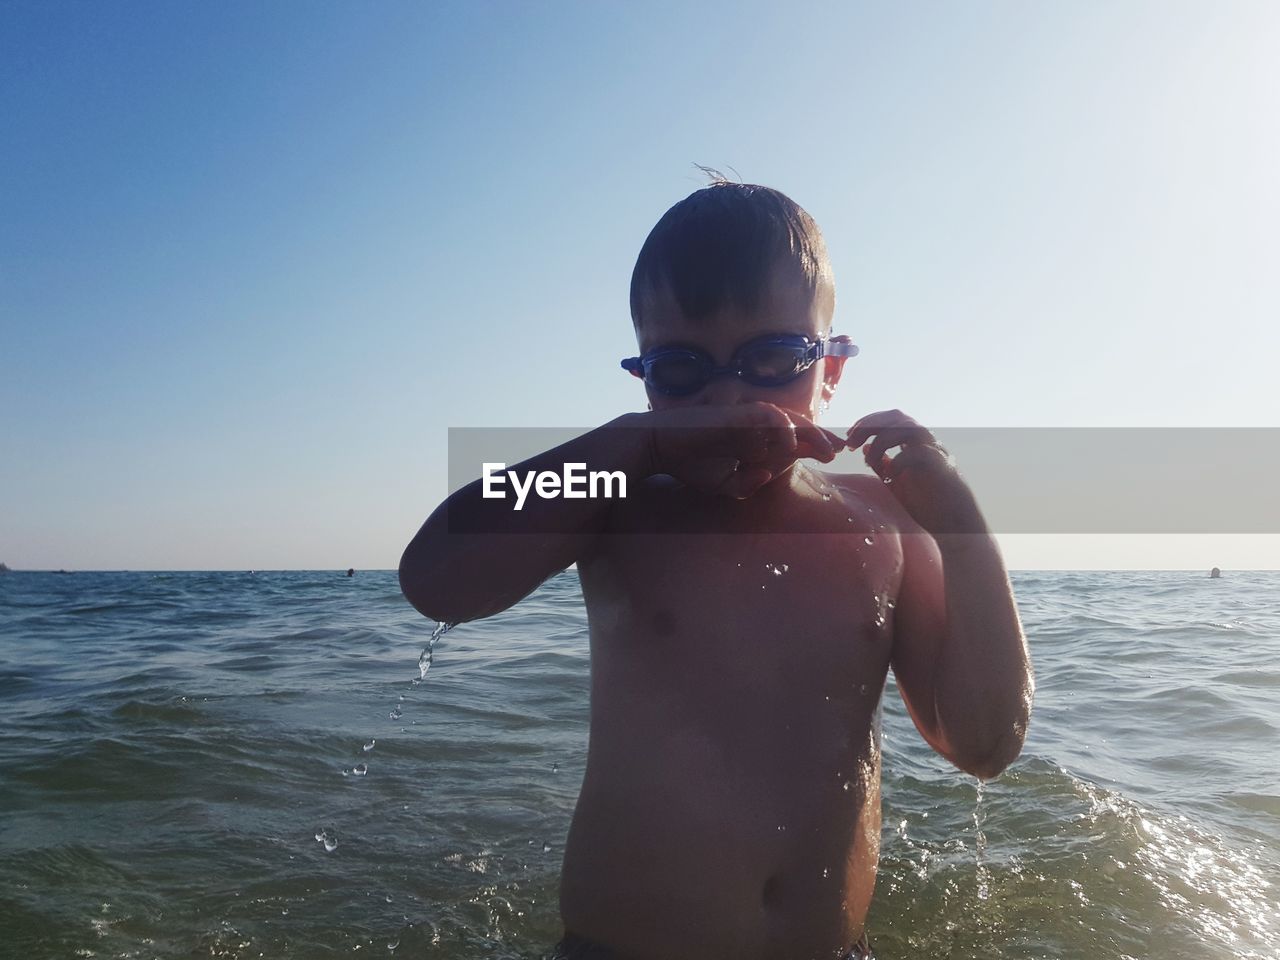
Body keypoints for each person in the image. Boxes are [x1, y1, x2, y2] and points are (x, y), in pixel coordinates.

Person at [399, 181, 1034, 960]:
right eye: (681, 371)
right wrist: (636, 446)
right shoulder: (620, 500)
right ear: (643, 382)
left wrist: (964, 527)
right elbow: (436, 577)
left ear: (829, 371)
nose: (729, 397)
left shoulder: (885, 521)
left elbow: (985, 741)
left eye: (773, 360)